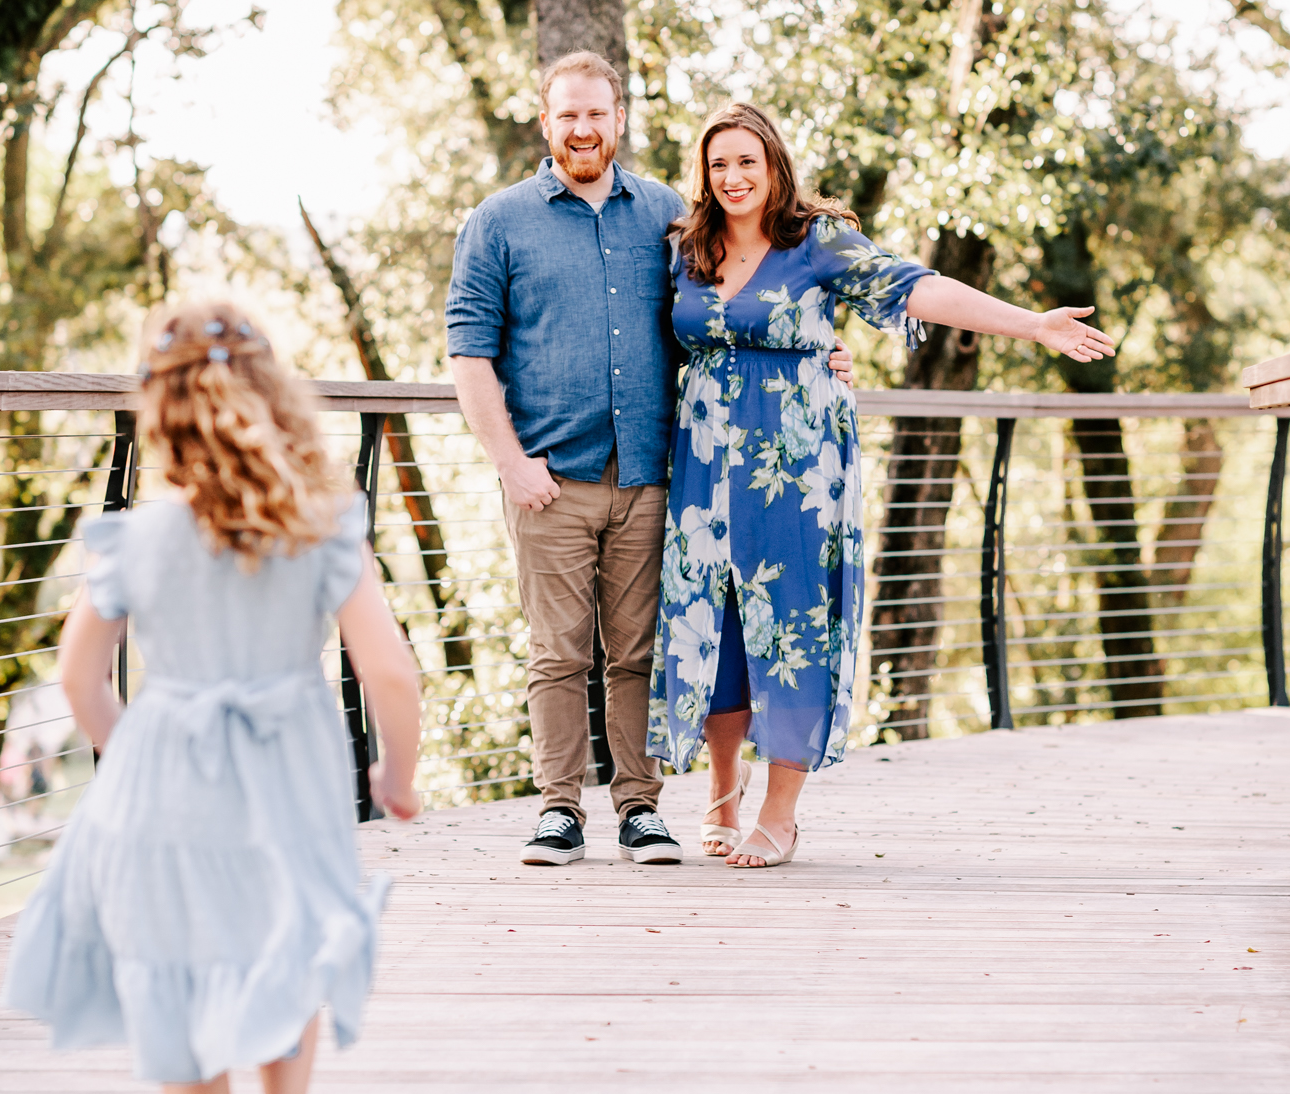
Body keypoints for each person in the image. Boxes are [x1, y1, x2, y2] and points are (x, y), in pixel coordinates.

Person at [2, 302, 422, 1094]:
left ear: (159, 407)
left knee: (182, 982)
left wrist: (127, 750)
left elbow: (78, 681)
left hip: (169, 791)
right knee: (293, 938)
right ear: (274, 391)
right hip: (294, 773)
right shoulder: (322, 520)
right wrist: (395, 776)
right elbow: (391, 673)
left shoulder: (137, 538)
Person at [648, 102, 1115, 867]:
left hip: (795, 467)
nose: (732, 178)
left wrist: (1030, 323)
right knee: (714, 619)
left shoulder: (816, 240)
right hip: (703, 463)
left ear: (774, 168)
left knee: (791, 622)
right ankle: (720, 790)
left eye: (746, 162)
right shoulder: (684, 248)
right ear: (702, 175)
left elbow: (917, 289)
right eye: (718, 164)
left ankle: (780, 811)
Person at [446, 51, 857, 867]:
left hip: (653, 476)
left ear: (619, 118)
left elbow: (736, 304)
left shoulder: (669, 216)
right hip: (549, 480)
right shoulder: (498, 221)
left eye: (596, 112)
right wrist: (509, 461)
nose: (583, 128)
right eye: (567, 114)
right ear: (546, 122)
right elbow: (467, 354)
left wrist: (827, 350)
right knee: (558, 654)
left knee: (640, 652)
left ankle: (639, 808)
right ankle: (559, 810)